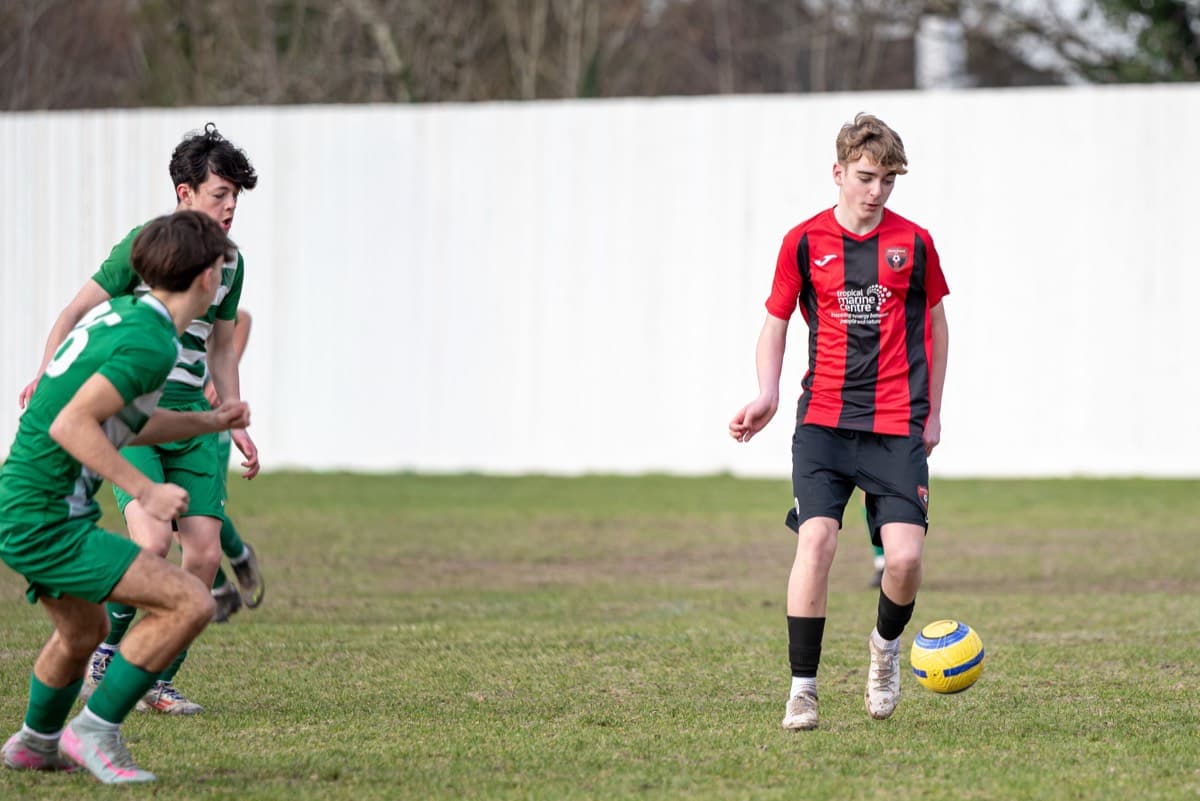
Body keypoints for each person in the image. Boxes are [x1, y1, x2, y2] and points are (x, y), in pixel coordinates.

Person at [17, 123, 262, 714]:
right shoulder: (147, 246)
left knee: (201, 557)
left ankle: (157, 678)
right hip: (138, 419)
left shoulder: (231, 263)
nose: (229, 207)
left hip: (195, 423)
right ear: (184, 193)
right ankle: (109, 656)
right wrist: (50, 373)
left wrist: (233, 417)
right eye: (218, 193)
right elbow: (78, 311)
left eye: (235, 197)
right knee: (151, 543)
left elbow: (224, 345)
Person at [0, 211, 250, 783]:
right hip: (46, 522)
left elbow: (123, 424)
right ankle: (93, 732)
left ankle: (34, 745)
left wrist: (209, 420)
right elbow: (72, 426)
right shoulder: (151, 343)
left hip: (26, 508)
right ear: (208, 278)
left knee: (83, 632)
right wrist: (145, 489)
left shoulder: (129, 317)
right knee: (191, 600)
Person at [729, 113, 949, 731]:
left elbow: (934, 325)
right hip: (823, 422)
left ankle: (884, 650)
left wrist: (932, 407)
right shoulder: (803, 241)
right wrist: (767, 393)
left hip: (895, 424)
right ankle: (803, 690)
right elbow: (775, 322)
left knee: (904, 560)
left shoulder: (916, 243)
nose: (875, 191)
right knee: (817, 540)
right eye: (865, 177)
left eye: (886, 181)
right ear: (838, 173)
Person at [207, 308, 265, 622]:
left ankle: (240, 557)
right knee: (176, 520)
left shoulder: (199, 290)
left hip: (209, 421)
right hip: (169, 421)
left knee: (205, 509)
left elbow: (242, 318)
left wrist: (223, 380)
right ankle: (220, 590)